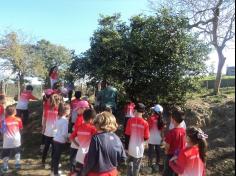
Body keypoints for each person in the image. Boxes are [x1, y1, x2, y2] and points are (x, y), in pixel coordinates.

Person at [82, 111, 127, 176]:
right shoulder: (116, 137)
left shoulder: (96, 138)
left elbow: (90, 161)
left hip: (97, 173)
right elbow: (123, 158)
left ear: (98, 124)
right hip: (112, 172)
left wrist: (83, 172)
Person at [125, 103, 150, 176]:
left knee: (129, 165)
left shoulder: (130, 120)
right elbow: (146, 137)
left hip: (130, 147)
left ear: (135, 110)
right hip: (139, 149)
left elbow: (127, 135)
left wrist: (126, 148)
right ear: (143, 112)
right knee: (136, 167)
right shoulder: (145, 123)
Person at [70, 109, 97, 176]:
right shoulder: (93, 129)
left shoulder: (79, 127)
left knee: (77, 172)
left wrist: (78, 145)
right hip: (88, 156)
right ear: (91, 119)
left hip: (79, 154)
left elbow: (71, 137)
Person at [163, 108, 187, 176]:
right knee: (176, 172)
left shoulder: (171, 132)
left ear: (173, 120)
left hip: (171, 156)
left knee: (167, 172)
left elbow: (167, 146)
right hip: (179, 156)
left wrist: (166, 152)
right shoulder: (183, 131)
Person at [69, 100, 90, 175]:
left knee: (74, 161)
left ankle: (73, 173)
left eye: (78, 109)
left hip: (76, 143)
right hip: (81, 144)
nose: (77, 110)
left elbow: (75, 131)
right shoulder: (88, 119)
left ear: (83, 108)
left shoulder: (80, 118)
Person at [1, 105, 23, 172]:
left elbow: (2, 131)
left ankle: (5, 167)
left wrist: (3, 138)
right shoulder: (18, 119)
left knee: (6, 153)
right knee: (17, 151)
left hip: (7, 140)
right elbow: (21, 129)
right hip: (16, 139)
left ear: (6, 113)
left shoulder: (4, 121)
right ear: (15, 112)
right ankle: (17, 164)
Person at [42, 94, 61, 166]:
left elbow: (44, 120)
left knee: (46, 147)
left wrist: (43, 129)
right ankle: (52, 162)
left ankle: (43, 160)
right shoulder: (59, 109)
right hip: (55, 132)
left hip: (48, 131)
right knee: (54, 148)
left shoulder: (47, 108)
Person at [51, 103, 71, 176]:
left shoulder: (58, 117)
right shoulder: (65, 120)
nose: (70, 111)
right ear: (66, 111)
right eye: (69, 109)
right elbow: (64, 133)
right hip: (60, 141)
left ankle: (53, 171)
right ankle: (55, 173)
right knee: (57, 157)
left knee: (55, 156)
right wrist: (68, 139)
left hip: (55, 139)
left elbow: (54, 127)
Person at [147, 104, 165, 171]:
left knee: (150, 152)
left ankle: (150, 165)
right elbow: (162, 131)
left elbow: (148, 128)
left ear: (154, 111)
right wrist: (162, 139)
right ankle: (157, 164)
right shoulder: (162, 120)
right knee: (158, 152)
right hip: (158, 138)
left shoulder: (151, 118)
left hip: (151, 138)